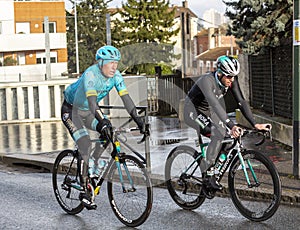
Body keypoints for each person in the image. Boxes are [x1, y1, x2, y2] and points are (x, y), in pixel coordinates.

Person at [61, 45, 145, 210]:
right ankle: (85, 190)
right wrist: (103, 121)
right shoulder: (91, 74)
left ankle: (93, 163)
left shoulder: (116, 76)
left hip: (88, 112)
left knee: (109, 134)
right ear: (101, 63)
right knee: (85, 143)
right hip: (72, 111)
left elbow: (126, 99)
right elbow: (92, 103)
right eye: (110, 62)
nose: (114, 66)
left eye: (116, 62)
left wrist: (139, 120)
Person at [183, 55, 271, 191]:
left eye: (234, 76)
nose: (232, 80)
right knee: (217, 134)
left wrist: (255, 124)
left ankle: (214, 169)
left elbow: (241, 101)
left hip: (209, 111)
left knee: (229, 140)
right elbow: (216, 105)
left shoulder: (231, 80)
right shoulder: (207, 81)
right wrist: (232, 125)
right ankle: (209, 175)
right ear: (220, 73)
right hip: (192, 112)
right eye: (229, 76)